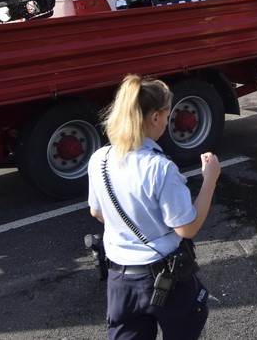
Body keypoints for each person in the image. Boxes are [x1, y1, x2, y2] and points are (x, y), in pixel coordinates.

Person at [87, 75, 220, 340]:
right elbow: (187, 228)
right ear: (155, 117)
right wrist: (210, 178)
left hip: (120, 280)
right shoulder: (160, 168)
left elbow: (97, 212)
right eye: (168, 116)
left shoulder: (99, 159)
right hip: (165, 279)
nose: (168, 123)